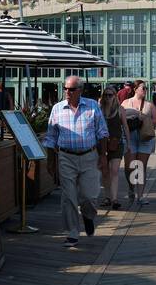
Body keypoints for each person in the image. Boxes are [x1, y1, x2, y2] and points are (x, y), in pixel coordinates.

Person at [43, 75, 108, 247]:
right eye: (65, 88)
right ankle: (72, 232)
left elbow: (102, 132)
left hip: (89, 156)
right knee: (68, 197)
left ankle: (88, 216)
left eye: (71, 89)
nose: (67, 92)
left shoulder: (92, 106)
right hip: (65, 157)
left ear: (80, 90)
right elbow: (51, 137)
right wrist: (50, 161)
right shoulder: (57, 109)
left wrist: (103, 156)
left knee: (90, 196)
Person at [120, 82, 156, 207]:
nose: (145, 90)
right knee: (130, 166)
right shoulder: (125, 103)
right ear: (135, 89)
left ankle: (140, 196)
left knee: (140, 166)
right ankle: (131, 188)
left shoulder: (149, 105)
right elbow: (119, 117)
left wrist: (144, 118)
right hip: (130, 137)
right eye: (143, 88)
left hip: (144, 137)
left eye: (146, 88)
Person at [98, 87, 128, 211]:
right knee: (105, 171)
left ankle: (114, 198)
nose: (108, 97)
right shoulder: (99, 110)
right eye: (106, 95)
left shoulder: (120, 110)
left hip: (117, 143)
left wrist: (129, 143)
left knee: (114, 170)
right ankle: (107, 197)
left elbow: (125, 127)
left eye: (110, 95)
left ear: (115, 96)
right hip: (102, 144)